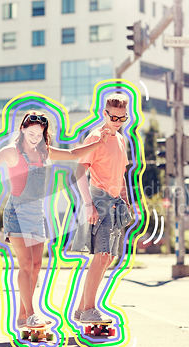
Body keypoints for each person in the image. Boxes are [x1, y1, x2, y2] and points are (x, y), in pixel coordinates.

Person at [0, 110, 109, 329]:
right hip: (17, 213)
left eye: (39, 134)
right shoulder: (11, 151)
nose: (35, 138)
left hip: (36, 213)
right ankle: (31, 313)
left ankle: (22, 317)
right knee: (26, 264)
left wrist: (99, 143)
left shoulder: (44, 152)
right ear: (23, 130)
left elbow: (72, 154)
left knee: (37, 265)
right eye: (31, 133)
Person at [70, 93, 132, 324]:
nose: (117, 121)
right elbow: (79, 172)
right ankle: (89, 309)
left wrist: (126, 200)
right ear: (104, 113)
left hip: (116, 204)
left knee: (107, 258)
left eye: (121, 118)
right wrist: (88, 205)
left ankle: (81, 309)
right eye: (113, 117)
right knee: (101, 255)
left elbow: (121, 174)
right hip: (99, 201)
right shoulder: (95, 137)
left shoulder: (120, 140)